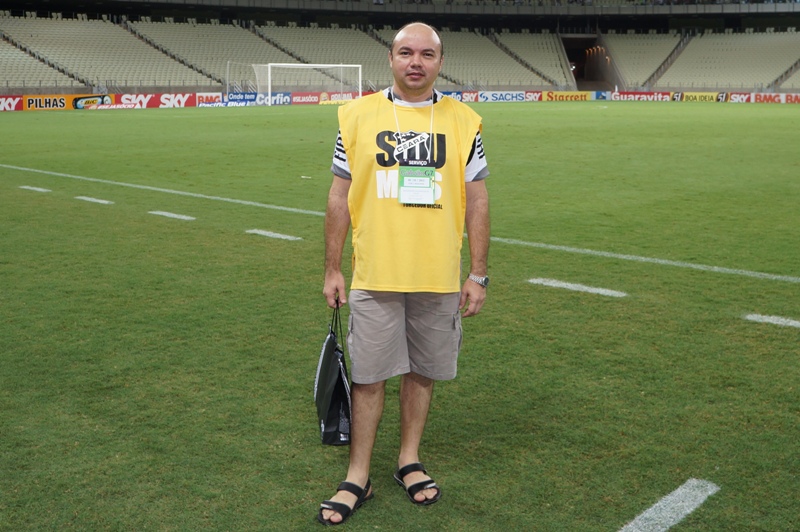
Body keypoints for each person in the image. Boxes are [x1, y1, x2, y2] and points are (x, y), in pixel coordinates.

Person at [318, 21, 490, 526]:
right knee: (369, 378)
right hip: (375, 272)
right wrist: (332, 267)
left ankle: (408, 460)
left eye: (427, 54)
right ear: (390, 58)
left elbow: (477, 200)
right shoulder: (355, 116)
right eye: (406, 52)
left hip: (438, 275)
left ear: (440, 61)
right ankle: (358, 475)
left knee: (422, 373)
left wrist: (478, 273)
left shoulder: (465, 121)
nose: (416, 62)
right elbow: (337, 195)